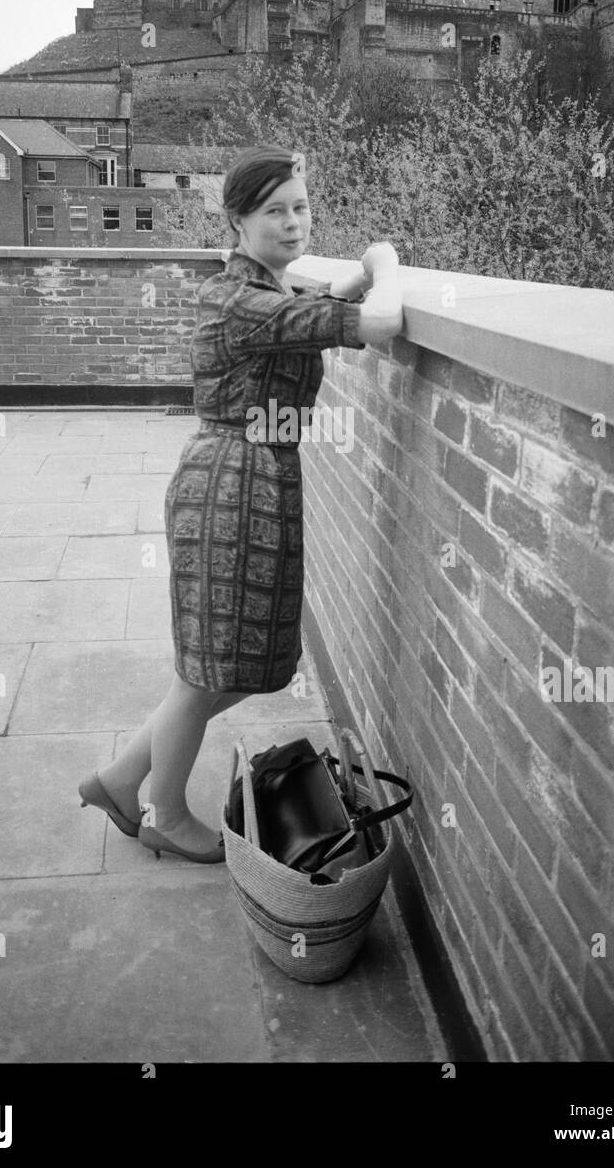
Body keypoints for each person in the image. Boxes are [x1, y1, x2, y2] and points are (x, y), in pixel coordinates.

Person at [79, 144, 404, 862]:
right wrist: (386, 259)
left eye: (301, 207)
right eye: (274, 212)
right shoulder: (238, 300)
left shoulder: (266, 292)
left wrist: (356, 277)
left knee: (232, 665)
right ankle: (162, 811)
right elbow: (377, 323)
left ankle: (119, 780)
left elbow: (320, 306)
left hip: (256, 480)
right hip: (230, 486)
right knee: (208, 671)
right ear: (236, 221)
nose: (293, 223)